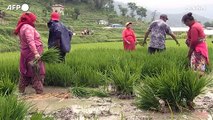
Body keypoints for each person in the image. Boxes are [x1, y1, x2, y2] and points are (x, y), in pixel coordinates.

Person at [14, 12, 45, 94]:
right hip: (32, 54)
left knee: (25, 72)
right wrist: (36, 53)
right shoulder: (28, 28)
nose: (34, 22)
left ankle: (20, 92)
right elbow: (30, 41)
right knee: (37, 73)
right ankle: (39, 93)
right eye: (33, 20)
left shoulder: (22, 26)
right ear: (30, 19)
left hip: (26, 53)